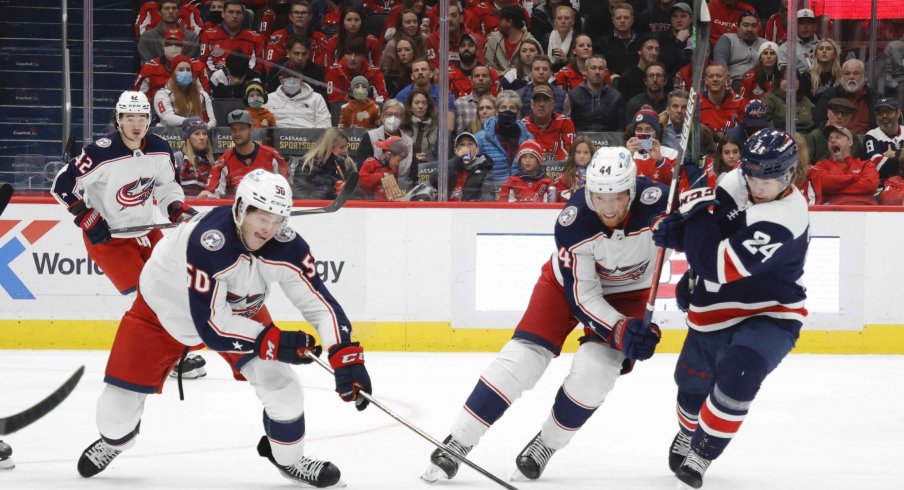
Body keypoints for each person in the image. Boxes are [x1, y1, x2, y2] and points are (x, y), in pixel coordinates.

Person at [75, 169, 372, 488]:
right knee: (115, 414)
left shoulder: (287, 246)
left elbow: (319, 303)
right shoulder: (209, 241)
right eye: (263, 217)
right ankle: (114, 441)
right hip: (161, 316)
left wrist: (346, 355)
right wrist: (270, 340)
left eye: (278, 219)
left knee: (283, 387)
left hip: (240, 311)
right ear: (242, 208)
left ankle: (289, 459)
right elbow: (212, 327)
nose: (270, 229)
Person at [423, 146, 665, 483]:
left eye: (618, 197)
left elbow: (708, 228)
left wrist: (685, 232)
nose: (608, 208)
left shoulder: (660, 203)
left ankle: (546, 444)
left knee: (594, 374)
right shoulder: (574, 220)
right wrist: (622, 330)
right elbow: (584, 297)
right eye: (599, 197)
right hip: (566, 286)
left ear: (633, 190)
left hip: (631, 294)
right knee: (521, 360)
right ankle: (458, 441)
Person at [652, 129, 810, 489]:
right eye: (751, 174)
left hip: (773, 310)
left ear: (788, 175)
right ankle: (688, 431)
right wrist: (680, 231)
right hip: (714, 307)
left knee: (743, 371)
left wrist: (692, 220)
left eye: (767, 178)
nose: (757, 184)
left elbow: (716, 265)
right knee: (690, 387)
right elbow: (715, 229)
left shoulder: (786, 216)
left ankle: (703, 452)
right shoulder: (736, 178)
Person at [50, 90, 196, 296]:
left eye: (142, 118)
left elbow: (168, 186)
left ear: (149, 120)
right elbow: (62, 184)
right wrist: (85, 215)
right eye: (129, 118)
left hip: (148, 231)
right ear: (118, 120)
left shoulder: (160, 148)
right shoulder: (100, 153)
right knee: (148, 297)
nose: (136, 125)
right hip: (109, 239)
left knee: (175, 289)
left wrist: (176, 208)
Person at [199, 110, 289, 198]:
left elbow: (286, 190)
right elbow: (211, 194)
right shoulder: (222, 163)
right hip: (236, 208)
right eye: (234, 129)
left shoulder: (272, 156)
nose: (237, 133)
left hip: (268, 208)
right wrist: (208, 194)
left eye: (242, 129)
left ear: (251, 130)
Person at [807, 125, 879, 205]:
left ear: (850, 142)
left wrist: (835, 187)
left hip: (866, 211)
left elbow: (870, 186)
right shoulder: (822, 165)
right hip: (834, 212)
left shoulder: (866, 165)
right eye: (830, 139)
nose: (832, 140)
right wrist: (853, 177)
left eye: (837, 137)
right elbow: (823, 185)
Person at [134, 27, 209, 103]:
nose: (173, 47)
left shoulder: (198, 67)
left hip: (186, 109)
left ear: (183, 47)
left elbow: (205, 96)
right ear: (162, 45)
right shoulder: (149, 67)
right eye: (169, 44)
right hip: (155, 108)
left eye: (177, 44)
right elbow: (138, 97)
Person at [356, 99, 415, 189]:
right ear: (382, 117)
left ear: (402, 119)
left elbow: (413, 174)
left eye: (397, 115)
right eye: (389, 114)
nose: (393, 118)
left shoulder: (409, 142)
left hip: (403, 190)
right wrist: (382, 176)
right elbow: (362, 169)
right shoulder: (370, 137)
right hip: (374, 191)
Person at [477, 90, 532, 186]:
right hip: (492, 194)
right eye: (503, 107)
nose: (507, 111)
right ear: (497, 111)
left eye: (512, 108)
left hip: (520, 192)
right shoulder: (481, 138)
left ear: (518, 112)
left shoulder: (528, 138)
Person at [813, 59, 878, 134]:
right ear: (842, 76)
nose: (851, 77)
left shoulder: (873, 96)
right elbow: (818, 120)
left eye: (856, 73)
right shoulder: (831, 94)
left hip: (865, 139)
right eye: (847, 73)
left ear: (864, 75)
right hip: (837, 136)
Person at [199, 0, 264, 73]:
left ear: (243, 15)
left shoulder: (255, 38)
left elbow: (257, 67)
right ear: (223, 14)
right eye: (230, 12)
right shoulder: (208, 35)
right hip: (215, 80)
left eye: (238, 13)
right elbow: (203, 64)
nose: (234, 16)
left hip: (245, 79)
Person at [292, 127, 356, 199]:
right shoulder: (307, 164)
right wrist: (331, 192)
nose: (345, 150)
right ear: (329, 147)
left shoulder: (347, 163)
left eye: (347, 146)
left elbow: (357, 193)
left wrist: (347, 192)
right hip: (315, 207)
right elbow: (299, 195)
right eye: (342, 147)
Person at [154, 55, 215, 129]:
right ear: (173, 73)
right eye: (181, 70)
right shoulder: (162, 94)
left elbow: (212, 121)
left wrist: (205, 127)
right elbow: (167, 118)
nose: (185, 72)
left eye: (188, 70)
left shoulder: (202, 95)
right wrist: (192, 123)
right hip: (171, 135)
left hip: (196, 134)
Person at [432, 132, 495, 202]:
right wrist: (457, 159)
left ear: (477, 150)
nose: (466, 148)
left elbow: (488, 198)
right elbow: (435, 181)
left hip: (468, 210)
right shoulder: (450, 165)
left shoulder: (485, 172)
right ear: (456, 150)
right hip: (445, 210)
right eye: (462, 144)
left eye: (470, 144)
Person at [569, 54, 625, 132]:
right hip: (581, 141)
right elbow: (570, 126)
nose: (597, 72)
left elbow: (620, 128)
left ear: (606, 72)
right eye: (593, 68)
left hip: (610, 141)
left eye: (601, 68)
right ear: (585, 71)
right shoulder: (573, 95)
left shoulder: (616, 97)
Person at [264, 64, 331, 128]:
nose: (292, 81)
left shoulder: (316, 98)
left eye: (296, 77)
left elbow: (325, 125)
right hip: (276, 137)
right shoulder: (268, 99)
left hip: (309, 137)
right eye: (288, 77)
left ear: (301, 79)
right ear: (281, 79)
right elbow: (260, 123)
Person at [713, 10, 766, 89]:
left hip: (758, 84)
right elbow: (720, 67)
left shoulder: (764, 44)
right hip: (734, 83)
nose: (750, 29)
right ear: (738, 27)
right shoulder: (727, 39)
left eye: (754, 26)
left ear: (758, 28)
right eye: (746, 25)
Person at [522, 85, 575, 161]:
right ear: (531, 104)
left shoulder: (565, 122)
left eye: (546, 100)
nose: (541, 104)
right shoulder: (524, 125)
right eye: (537, 100)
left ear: (553, 104)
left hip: (560, 169)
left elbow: (570, 153)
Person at [806, 97, 862, 163]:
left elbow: (858, 163)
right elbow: (807, 165)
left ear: (850, 118)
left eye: (844, 114)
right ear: (828, 113)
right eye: (835, 112)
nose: (839, 117)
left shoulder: (853, 137)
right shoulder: (814, 136)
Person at [484, 6, 539, 72]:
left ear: (510, 22)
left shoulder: (532, 43)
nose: (498, 23)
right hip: (498, 80)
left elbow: (540, 66)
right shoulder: (492, 41)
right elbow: (488, 67)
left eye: (501, 20)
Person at [863, 97, 904, 184]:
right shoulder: (871, 136)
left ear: (898, 113)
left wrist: (892, 156)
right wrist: (900, 155)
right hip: (885, 184)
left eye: (888, 112)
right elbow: (876, 165)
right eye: (880, 113)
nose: (884, 116)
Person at [763, 66, 815, 133]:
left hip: (807, 137)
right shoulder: (769, 98)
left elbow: (815, 121)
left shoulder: (805, 100)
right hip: (781, 137)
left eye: (794, 78)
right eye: (785, 78)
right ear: (778, 82)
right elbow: (766, 124)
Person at [359, 136, 410, 201]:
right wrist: (381, 176)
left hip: (387, 206)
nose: (398, 164)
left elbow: (393, 191)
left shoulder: (393, 168)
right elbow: (362, 182)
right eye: (398, 160)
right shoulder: (370, 163)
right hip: (370, 205)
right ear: (388, 155)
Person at [175, 116, 215, 195]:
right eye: (197, 134)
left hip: (205, 205)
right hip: (183, 204)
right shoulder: (178, 158)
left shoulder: (211, 161)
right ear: (188, 137)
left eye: (204, 133)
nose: (202, 137)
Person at [616, 36, 661, 103]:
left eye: (657, 49)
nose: (654, 53)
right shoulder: (627, 78)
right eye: (650, 48)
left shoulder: (662, 77)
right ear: (639, 51)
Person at [402, 89, 441, 166]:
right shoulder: (403, 125)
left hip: (429, 166)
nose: (421, 106)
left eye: (424, 103)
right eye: (416, 103)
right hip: (406, 165)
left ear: (428, 106)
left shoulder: (436, 125)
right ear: (410, 107)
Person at [552, 134, 593, 202]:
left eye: (586, 152)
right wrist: (574, 193)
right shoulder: (564, 177)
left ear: (591, 155)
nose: (582, 156)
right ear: (573, 154)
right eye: (578, 152)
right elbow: (555, 196)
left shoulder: (597, 177)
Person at [778, 8, 820, 74]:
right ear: (795, 26)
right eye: (801, 23)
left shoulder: (823, 47)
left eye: (809, 23)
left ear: (815, 26)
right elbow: (785, 76)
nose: (805, 27)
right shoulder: (785, 48)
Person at [809, 38, 842, 103]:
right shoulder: (807, 76)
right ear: (816, 54)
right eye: (821, 49)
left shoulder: (840, 77)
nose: (824, 51)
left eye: (828, 49)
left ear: (834, 54)